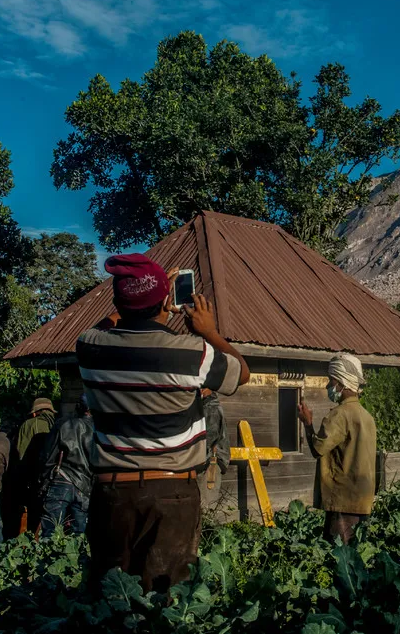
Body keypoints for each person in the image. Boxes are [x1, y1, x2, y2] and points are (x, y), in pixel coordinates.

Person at [77, 253, 250, 593]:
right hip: (172, 494)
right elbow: (241, 372)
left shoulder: (90, 347)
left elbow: (108, 322)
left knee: (111, 602)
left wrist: (143, 298)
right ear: (165, 301)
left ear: (118, 302)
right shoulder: (190, 352)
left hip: (112, 493)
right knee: (165, 602)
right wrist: (209, 331)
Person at [298, 354, 377, 543]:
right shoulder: (367, 417)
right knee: (355, 556)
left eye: (331, 381)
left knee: (337, 557)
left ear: (342, 383)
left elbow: (318, 449)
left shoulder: (339, 415)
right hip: (362, 500)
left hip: (342, 499)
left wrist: (308, 424)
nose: (328, 386)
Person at [38, 393, 96, 537]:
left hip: (61, 480)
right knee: (79, 535)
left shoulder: (65, 425)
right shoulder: (98, 431)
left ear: (79, 407)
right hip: (85, 486)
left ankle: (48, 559)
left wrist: (43, 480)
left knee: (50, 531)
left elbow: (48, 456)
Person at [15, 398, 57, 534]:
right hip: (57, 478)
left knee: (33, 513)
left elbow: (20, 453)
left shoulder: (30, 424)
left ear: (34, 413)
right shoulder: (59, 424)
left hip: (34, 477)